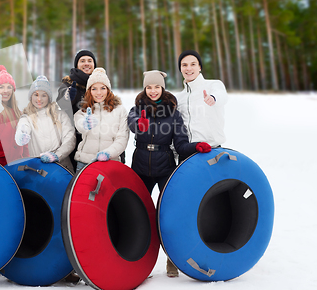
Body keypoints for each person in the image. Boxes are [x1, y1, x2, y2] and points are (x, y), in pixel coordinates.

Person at [128, 70, 211, 278]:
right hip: (140, 167)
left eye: (157, 87)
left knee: (169, 216)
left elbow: (181, 144)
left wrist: (195, 146)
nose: (153, 91)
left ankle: (171, 259)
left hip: (165, 167)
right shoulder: (138, 108)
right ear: (144, 88)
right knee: (137, 214)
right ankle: (139, 259)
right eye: (149, 87)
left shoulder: (173, 113)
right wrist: (139, 124)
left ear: (162, 88)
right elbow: (131, 122)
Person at [15, 75, 76, 173]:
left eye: (44, 95)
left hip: (62, 167)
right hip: (39, 169)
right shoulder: (26, 118)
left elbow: (70, 138)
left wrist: (57, 155)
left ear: (49, 97)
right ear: (31, 97)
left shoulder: (60, 115)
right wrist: (21, 136)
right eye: (36, 95)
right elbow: (22, 128)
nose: (39, 99)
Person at [73, 68, 129, 173]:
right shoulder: (83, 110)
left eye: (103, 88)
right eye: (94, 88)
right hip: (84, 163)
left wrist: (108, 153)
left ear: (108, 89)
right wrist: (84, 124)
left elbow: (122, 139)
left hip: (110, 163)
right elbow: (79, 123)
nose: (99, 93)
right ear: (89, 91)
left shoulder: (120, 110)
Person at [175, 50, 228, 162]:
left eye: (193, 64)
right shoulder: (180, 97)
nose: (188, 68)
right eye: (184, 65)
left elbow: (221, 95)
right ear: (180, 69)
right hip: (188, 153)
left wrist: (213, 98)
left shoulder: (213, 85)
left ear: (199, 67)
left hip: (211, 151)